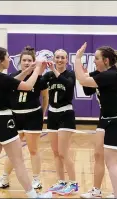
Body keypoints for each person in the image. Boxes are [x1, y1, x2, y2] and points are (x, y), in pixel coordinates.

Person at [0, 46, 52, 198]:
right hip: (3, 121)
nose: (10, 59)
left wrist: (29, 70)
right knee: (18, 162)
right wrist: (37, 70)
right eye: (7, 57)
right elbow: (28, 86)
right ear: (1, 60)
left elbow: (12, 82)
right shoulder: (1, 77)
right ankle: (33, 195)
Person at [74, 42, 117, 199]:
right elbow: (87, 86)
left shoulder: (112, 75)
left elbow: (83, 80)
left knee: (112, 163)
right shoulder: (108, 75)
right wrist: (86, 75)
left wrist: (77, 59)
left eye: (97, 58)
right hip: (114, 119)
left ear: (106, 60)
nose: (94, 61)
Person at [0, 46, 49, 191]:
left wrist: (42, 115)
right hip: (15, 117)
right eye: (24, 60)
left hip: (33, 116)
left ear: (33, 62)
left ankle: (36, 179)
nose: (26, 62)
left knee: (33, 150)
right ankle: (5, 178)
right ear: (20, 61)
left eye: (29, 60)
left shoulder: (39, 78)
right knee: (13, 151)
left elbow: (45, 97)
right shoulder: (12, 77)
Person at [80, 51, 117, 198]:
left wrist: (86, 75)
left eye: (98, 59)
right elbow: (88, 90)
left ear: (109, 61)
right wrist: (87, 75)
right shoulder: (101, 75)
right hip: (104, 117)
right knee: (98, 154)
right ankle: (96, 190)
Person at [41, 49, 78, 196]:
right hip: (52, 114)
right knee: (56, 153)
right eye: (57, 57)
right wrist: (40, 68)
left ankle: (73, 183)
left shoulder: (70, 74)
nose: (60, 60)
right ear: (54, 59)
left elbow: (68, 86)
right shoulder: (49, 75)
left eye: (62, 57)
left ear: (67, 60)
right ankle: (61, 181)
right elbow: (38, 84)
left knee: (63, 152)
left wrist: (54, 71)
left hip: (66, 114)